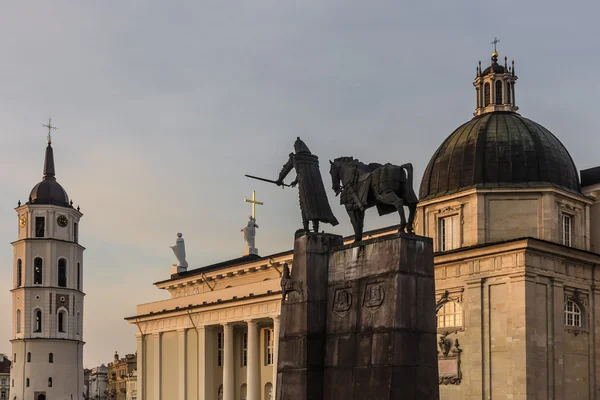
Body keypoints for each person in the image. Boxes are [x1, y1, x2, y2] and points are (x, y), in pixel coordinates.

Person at [276, 137, 338, 232]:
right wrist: (295, 181)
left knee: (304, 205)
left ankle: (306, 229)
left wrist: (279, 180)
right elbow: (304, 170)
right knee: (315, 205)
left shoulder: (295, 157)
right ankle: (316, 229)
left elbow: (286, 169)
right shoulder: (313, 159)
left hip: (305, 185)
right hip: (317, 186)